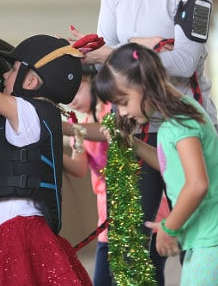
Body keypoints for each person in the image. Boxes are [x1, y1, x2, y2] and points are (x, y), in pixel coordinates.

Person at [71, 0, 218, 281]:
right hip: (132, 124)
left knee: (196, 248)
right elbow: (107, 54)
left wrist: (124, 50)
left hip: (181, 124)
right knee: (128, 251)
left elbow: (185, 61)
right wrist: (140, 46)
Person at [92, 43, 218, 285]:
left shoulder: (182, 122)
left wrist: (169, 228)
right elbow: (170, 165)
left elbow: (197, 185)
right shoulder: (174, 119)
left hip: (217, 235)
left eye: (123, 101)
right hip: (206, 235)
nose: (121, 113)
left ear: (146, 86)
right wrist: (133, 144)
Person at [0, 34, 92, 285]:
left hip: (19, 232)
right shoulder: (32, 116)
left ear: (30, 81)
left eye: (14, 69)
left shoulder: (25, 110)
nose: (5, 76)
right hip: (20, 229)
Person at [63, 64, 170, 285]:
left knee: (146, 277)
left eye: (77, 87)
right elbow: (79, 168)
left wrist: (64, 127)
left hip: (143, 206)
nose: (70, 97)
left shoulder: (114, 109)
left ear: (95, 81)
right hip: (108, 215)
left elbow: (107, 130)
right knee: (103, 280)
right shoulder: (79, 125)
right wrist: (51, 152)